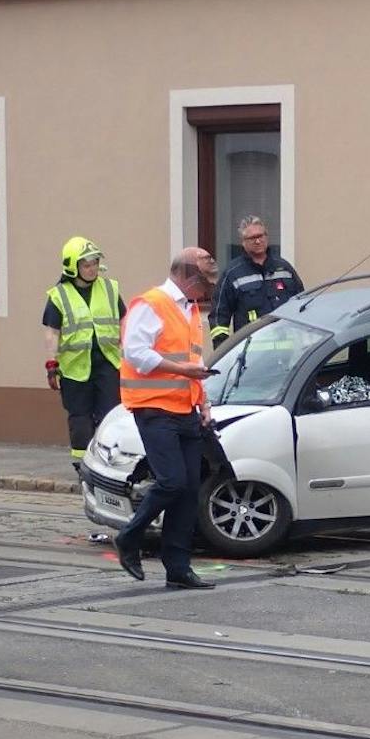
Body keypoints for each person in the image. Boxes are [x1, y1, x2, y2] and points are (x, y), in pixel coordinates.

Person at [114, 248, 218, 590]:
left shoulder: (189, 311)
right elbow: (137, 355)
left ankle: (178, 567)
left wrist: (202, 402)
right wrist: (182, 370)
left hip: (185, 408)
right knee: (172, 482)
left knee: (188, 491)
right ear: (189, 279)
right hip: (153, 407)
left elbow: (193, 365)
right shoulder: (150, 304)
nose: (205, 295)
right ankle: (129, 537)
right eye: (203, 287)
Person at [43, 237, 125, 474]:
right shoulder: (59, 295)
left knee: (110, 415)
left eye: (95, 263)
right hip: (74, 368)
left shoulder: (109, 288)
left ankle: (108, 463)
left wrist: (127, 349)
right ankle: (83, 467)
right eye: (86, 265)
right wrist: (51, 364)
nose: (92, 269)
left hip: (108, 363)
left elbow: (123, 319)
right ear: (72, 266)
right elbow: (52, 332)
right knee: (80, 420)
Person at [210, 216, 304, 345]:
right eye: (252, 238)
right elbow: (219, 317)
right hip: (253, 354)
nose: (258, 241)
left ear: (267, 237)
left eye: (261, 236)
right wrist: (223, 350)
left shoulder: (284, 268)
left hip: (287, 351)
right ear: (243, 242)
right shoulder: (233, 273)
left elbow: (301, 304)